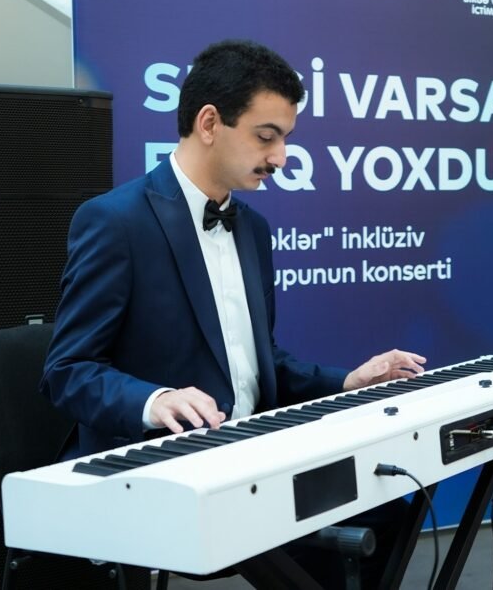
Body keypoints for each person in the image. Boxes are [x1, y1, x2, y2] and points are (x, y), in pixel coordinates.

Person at [40, 40, 425, 586]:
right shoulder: (115, 222)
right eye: (266, 137)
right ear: (209, 123)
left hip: (252, 458)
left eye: (285, 139)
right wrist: (155, 400)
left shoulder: (253, 229)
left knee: (388, 513)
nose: (281, 158)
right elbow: (67, 371)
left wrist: (347, 381)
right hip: (164, 471)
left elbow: (256, 362)